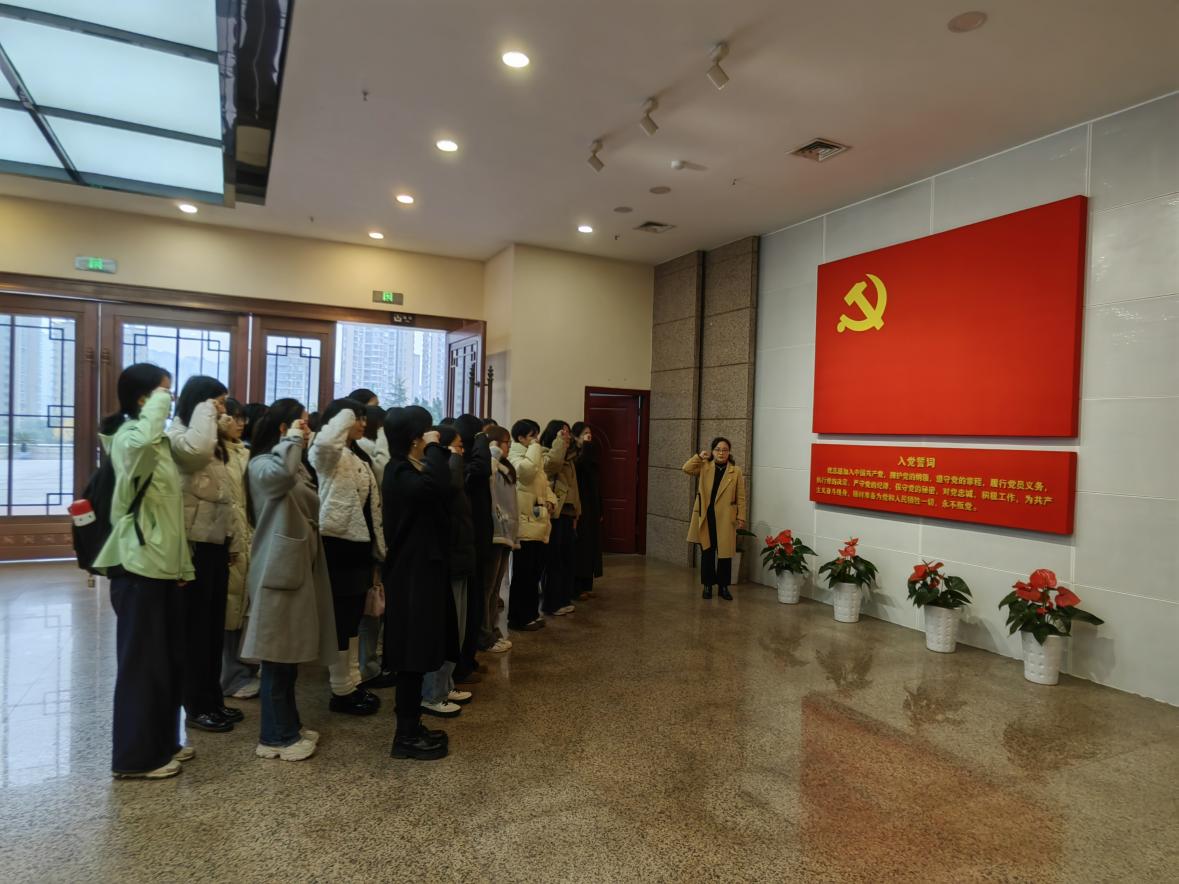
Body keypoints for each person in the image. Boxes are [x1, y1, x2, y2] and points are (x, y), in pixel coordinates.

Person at [94, 364, 191, 779]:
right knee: (141, 666)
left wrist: (182, 566)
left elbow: (169, 514)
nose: (170, 400)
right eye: (164, 392)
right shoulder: (128, 437)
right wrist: (159, 403)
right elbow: (139, 447)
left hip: (162, 566)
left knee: (166, 662)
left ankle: (164, 743)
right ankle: (135, 759)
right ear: (143, 399)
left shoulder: (159, 442)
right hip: (138, 567)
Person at [240, 398, 337, 762]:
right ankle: (274, 737)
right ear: (284, 428)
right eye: (302, 423)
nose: (307, 430)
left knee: (289, 657)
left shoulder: (292, 463)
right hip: (277, 569)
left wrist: (295, 445)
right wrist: (293, 441)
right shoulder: (263, 464)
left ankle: (289, 726)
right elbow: (279, 479)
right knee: (276, 658)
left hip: (295, 565)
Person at [168, 375, 242, 734]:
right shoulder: (179, 435)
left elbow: (229, 497)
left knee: (213, 629)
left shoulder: (213, 439)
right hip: (192, 548)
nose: (222, 409)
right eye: (217, 401)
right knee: (195, 632)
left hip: (216, 544)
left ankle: (213, 699)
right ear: (199, 401)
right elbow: (195, 452)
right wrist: (205, 411)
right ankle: (196, 707)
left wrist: (232, 541)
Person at [382, 406, 453, 760]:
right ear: (415, 439)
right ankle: (405, 735)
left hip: (421, 570)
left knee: (420, 648)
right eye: (426, 433)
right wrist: (435, 448)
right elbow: (436, 485)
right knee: (411, 653)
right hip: (410, 574)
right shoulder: (398, 471)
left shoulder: (409, 469)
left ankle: (412, 725)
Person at [310, 399, 385, 715]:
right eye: (358, 418)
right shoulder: (327, 453)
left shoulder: (356, 455)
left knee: (354, 617)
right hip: (337, 546)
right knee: (341, 620)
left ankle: (352, 682)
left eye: (364, 418)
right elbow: (325, 443)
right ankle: (341, 689)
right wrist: (345, 413)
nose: (363, 423)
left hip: (359, 548)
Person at [420, 426, 476, 718]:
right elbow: (450, 487)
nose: (462, 452)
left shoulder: (452, 473)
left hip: (461, 559)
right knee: (445, 632)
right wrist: (449, 457)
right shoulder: (440, 475)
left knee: (458, 630)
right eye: (457, 447)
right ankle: (433, 692)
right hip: (449, 561)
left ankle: (446, 684)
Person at [221, 399, 260, 700]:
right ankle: (230, 676)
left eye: (242, 418)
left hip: (248, 539)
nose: (241, 423)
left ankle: (242, 670)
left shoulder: (245, 453)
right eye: (234, 418)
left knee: (242, 607)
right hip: (228, 541)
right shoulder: (213, 454)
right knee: (229, 610)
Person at [453, 414, 492, 680]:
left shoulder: (467, 464)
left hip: (477, 543)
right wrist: (480, 437)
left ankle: (469, 658)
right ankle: (462, 665)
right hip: (467, 546)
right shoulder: (463, 466)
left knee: (475, 606)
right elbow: (482, 466)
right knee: (466, 611)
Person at [683, 437, 747, 601]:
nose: (721, 453)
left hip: (726, 517)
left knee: (725, 553)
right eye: (718, 449)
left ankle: (723, 587)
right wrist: (699, 457)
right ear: (712, 451)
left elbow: (741, 497)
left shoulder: (735, 471)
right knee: (707, 551)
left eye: (725, 450)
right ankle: (707, 586)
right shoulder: (705, 466)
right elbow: (686, 469)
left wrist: (741, 516)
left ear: (729, 452)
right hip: (706, 516)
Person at [507, 419, 555, 631]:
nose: (536, 439)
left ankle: (531, 613)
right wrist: (536, 447)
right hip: (525, 524)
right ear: (520, 438)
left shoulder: (534, 456)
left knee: (535, 572)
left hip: (539, 521)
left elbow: (543, 483)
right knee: (524, 574)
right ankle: (519, 618)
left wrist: (551, 500)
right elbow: (526, 474)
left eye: (536, 435)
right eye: (532, 436)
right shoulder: (515, 456)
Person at [356, 402, 390, 687]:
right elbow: (383, 471)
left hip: (367, 536)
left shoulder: (361, 450)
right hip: (366, 539)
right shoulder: (366, 451)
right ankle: (366, 667)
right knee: (368, 608)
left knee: (371, 605)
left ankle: (367, 664)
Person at [481, 424, 517, 652]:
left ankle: (492, 629)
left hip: (507, 532)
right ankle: (484, 634)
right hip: (494, 532)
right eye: (506, 442)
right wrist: (492, 452)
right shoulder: (490, 464)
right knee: (487, 588)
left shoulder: (505, 466)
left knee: (495, 589)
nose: (509, 446)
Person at [540, 420, 580, 617]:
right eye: (562, 433)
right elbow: (552, 466)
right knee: (553, 560)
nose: (567, 436)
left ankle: (563, 598)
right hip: (554, 513)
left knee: (566, 559)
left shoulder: (570, 457)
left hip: (567, 513)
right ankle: (551, 603)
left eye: (568, 433)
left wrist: (577, 512)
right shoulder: (544, 452)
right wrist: (559, 444)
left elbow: (574, 488)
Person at [570, 422, 604, 600]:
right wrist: (586, 447)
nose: (588, 436)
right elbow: (579, 467)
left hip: (592, 506)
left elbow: (597, 484)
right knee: (581, 547)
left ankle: (587, 584)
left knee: (591, 545)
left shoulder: (592, 454)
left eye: (590, 433)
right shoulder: (574, 455)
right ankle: (577, 587)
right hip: (579, 505)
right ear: (576, 437)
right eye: (584, 433)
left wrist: (600, 509)